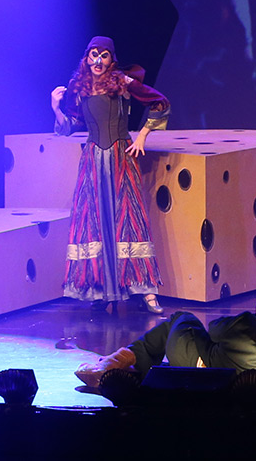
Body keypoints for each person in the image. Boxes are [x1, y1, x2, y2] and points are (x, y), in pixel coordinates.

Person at [52, 36, 168, 312]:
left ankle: (145, 290)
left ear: (111, 60)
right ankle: (99, 288)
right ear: (86, 58)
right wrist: (55, 107)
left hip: (120, 157)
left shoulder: (123, 83)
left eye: (104, 55)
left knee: (128, 219)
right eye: (94, 54)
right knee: (93, 220)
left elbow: (161, 103)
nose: (98, 60)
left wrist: (142, 136)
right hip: (92, 160)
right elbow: (69, 126)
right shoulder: (79, 88)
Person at [75, 296, 256, 405]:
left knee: (180, 318)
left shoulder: (244, 326)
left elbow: (214, 329)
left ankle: (116, 362)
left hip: (191, 361)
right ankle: (138, 374)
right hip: (218, 394)